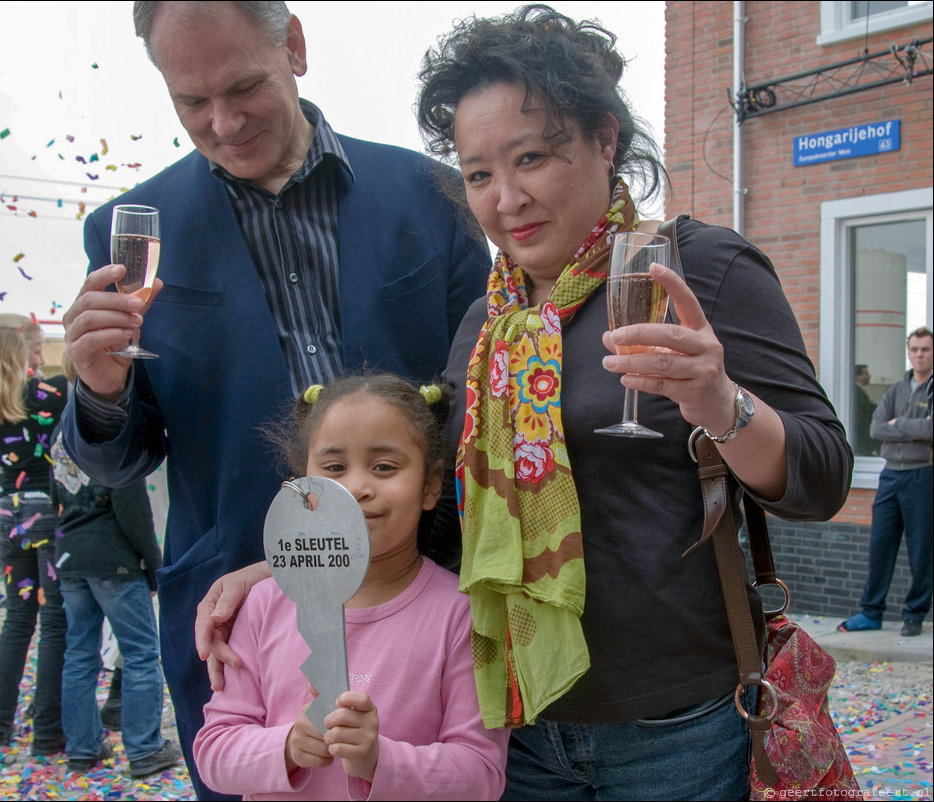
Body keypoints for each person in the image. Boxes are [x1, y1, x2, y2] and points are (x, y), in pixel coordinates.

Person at [202, 6, 854, 799]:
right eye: (478, 173)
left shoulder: (701, 270)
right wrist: (287, 565)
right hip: (516, 728)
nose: (506, 198)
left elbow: (821, 480)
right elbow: (447, 518)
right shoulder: (486, 324)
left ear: (605, 139)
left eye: (532, 157)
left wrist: (722, 403)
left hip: (675, 731)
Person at [59, 3, 489, 792]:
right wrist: (99, 389)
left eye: (242, 86)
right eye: (191, 102)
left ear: (293, 45)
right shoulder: (126, 230)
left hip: (419, 597)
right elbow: (118, 461)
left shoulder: (434, 194)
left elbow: (474, 407)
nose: (222, 122)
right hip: (237, 611)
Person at [193, 374, 508, 799]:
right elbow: (215, 753)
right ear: (302, 482)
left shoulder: (462, 617)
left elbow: (482, 775)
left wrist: (379, 759)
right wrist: (285, 747)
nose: (355, 488)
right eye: (334, 468)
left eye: (384, 467)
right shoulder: (263, 605)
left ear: (432, 484)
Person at [51, 431, 179, 778]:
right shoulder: (114, 433)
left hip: (71, 554)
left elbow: (56, 497)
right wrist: (155, 566)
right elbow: (132, 508)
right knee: (141, 653)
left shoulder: (62, 432)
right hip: (114, 558)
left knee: (79, 654)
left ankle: (82, 748)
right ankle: (144, 748)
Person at [0, 314, 69, 755]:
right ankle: (48, 727)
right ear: (19, 352)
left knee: (16, 621)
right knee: (53, 622)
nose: (41, 358)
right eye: (35, 350)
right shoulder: (49, 394)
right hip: (47, 511)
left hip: (8, 514)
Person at [840, 326, 932, 638]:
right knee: (880, 545)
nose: (919, 354)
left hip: (923, 474)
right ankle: (871, 612)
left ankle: (914, 615)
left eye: (925, 349)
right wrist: (915, 429)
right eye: (915, 349)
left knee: (921, 551)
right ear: (908, 352)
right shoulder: (896, 389)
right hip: (890, 474)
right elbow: (877, 428)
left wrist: (901, 423)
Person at [852, 364, 880, 456]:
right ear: (858, 376)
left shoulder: (859, 392)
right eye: (866, 373)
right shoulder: (857, 393)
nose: (869, 376)